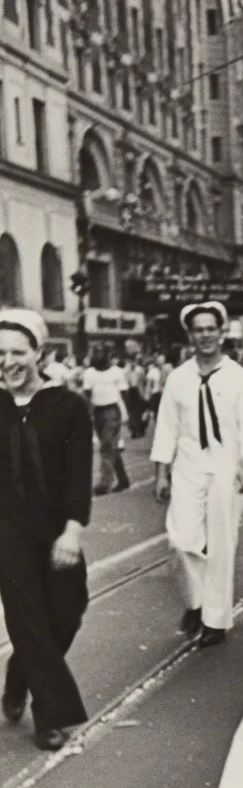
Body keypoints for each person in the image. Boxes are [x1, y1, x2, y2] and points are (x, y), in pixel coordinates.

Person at [0, 310, 93, 751]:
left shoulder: (68, 407)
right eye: (0, 353)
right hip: (7, 528)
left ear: (39, 353)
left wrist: (72, 531)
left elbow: (78, 473)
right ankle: (50, 717)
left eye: (17, 351)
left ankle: (19, 674)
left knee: (66, 612)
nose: (8, 361)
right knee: (28, 617)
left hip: (56, 525)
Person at [150, 302, 243, 647]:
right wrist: (161, 473)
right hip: (188, 466)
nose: (206, 335)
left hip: (227, 468)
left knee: (222, 543)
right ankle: (195, 603)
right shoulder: (178, 378)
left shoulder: (239, 378)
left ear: (221, 332)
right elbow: (167, 427)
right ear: (190, 335)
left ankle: (215, 620)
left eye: (211, 328)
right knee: (181, 540)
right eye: (199, 329)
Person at [82, 346, 130, 495]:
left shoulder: (116, 372)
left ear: (108, 355)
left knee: (107, 446)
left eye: (101, 352)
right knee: (110, 447)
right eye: (96, 352)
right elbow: (87, 394)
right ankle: (123, 479)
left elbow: (124, 393)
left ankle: (104, 483)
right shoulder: (89, 373)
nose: (98, 356)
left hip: (112, 411)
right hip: (97, 411)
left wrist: (124, 413)